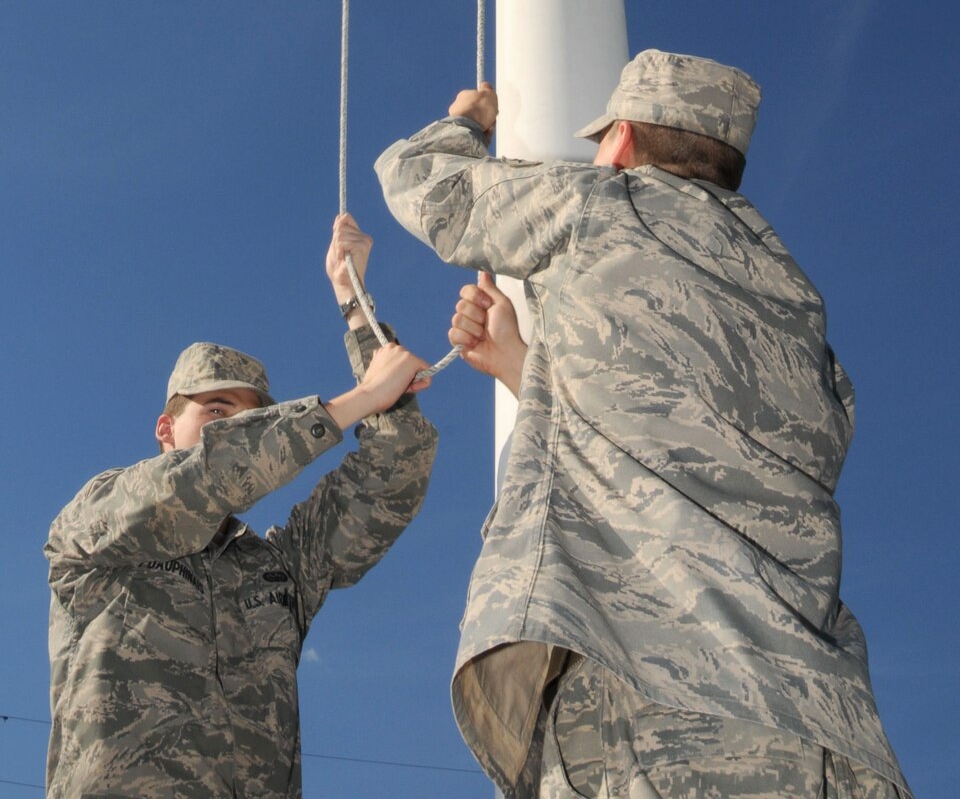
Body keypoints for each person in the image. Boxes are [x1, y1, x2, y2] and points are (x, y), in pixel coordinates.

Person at [376, 51, 913, 799]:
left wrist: (466, 119)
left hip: (655, 693)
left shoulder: (603, 205)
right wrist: (527, 367)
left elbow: (423, 182)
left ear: (622, 141)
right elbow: (686, 431)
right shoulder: (796, 307)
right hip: (819, 730)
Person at [45, 213, 438, 798]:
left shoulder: (278, 568)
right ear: (164, 427)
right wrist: (357, 399)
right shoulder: (96, 520)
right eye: (217, 412)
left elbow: (394, 470)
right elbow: (205, 477)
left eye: (251, 419)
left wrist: (356, 311)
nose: (235, 430)